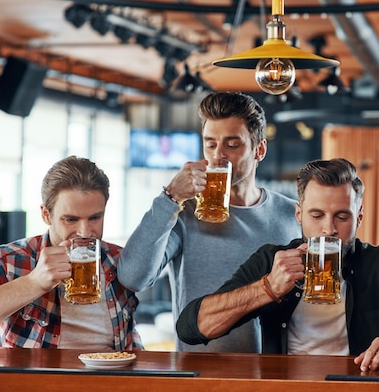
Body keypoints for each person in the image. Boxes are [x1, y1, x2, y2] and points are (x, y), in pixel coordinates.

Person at [176, 158, 379, 371]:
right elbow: (191, 327)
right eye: (317, 215)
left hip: (358, 388)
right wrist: (267, 288)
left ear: (359, 217)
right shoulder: (273, 261)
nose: (328, 229)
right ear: (299, 214)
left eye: (342, 217)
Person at [118, 91, 301, 353]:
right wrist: (171, 196)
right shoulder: (182, 212)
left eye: (232, 144)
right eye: (210, 143)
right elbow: (133, 277)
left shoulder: (291, 213)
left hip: (273, 375)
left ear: (259, 149)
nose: (218, 155)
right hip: (201, 376)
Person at [0, 156, 142, 349]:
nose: (85, 232)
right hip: (38, 379)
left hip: (110, 378)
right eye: (70, 220)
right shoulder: (6, 261)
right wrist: (33, 282)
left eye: (95, 218)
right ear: (46, 215)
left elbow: (131, 343)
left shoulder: (119, 261)